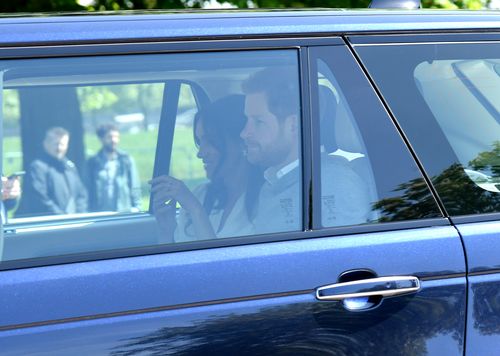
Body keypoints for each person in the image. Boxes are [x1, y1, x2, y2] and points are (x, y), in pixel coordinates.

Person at [240, 67, 371, 234]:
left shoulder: (332, 185)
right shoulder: (274, 182)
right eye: (247, 120)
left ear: (294, 124)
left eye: (258, 122)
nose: (244, 133)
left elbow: (343, 256)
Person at [151, 95, 261, 242]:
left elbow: (217, 263)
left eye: (210, 141)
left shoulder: (265, 200)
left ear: (241, 141)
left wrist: (196, 211)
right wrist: (167, 232)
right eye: (200, 141)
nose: (200, 153)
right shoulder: (200, 194)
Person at [17, 127, 87, 216]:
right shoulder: (37, 167)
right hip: (49, 225)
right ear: (45, 144)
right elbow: (40, 199)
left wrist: (80, 216)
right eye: (56, 144)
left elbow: (81, 195)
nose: (59, 148)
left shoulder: (70, 167)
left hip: (73, 223)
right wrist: (62, 218)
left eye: (63, 144)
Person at [86, 123, 141, 213]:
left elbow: (135, 185)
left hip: (123, 212)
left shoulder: (126, 160)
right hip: (100, 214)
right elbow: (87, 188)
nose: (114, 140)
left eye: (116, 137)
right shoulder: (93, 162)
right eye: (110, 137)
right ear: (101, 139)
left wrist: (137, 206)